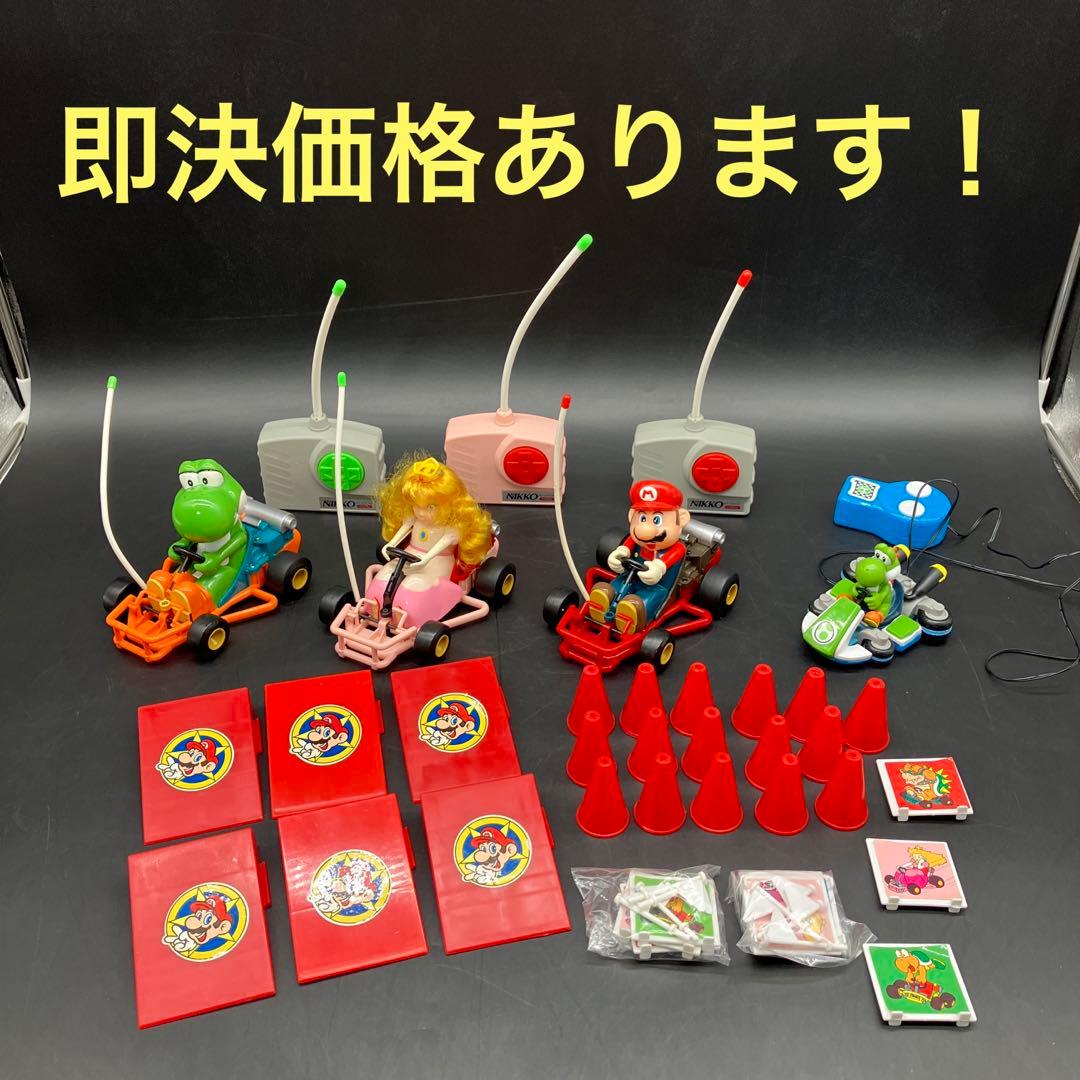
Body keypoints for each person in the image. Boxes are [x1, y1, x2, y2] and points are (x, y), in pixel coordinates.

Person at [364, 456, 492, 616]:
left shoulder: (451, 528)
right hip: (410, 554)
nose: (421, 513)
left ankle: (406, 613)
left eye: (430, 507)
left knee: (415, 583)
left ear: (448, 504)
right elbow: (404, 528)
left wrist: (425, 560)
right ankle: (373, 604)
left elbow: (442, 544)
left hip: (438, 560)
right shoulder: (414, 519)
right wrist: (389, 545)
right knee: (386, 573)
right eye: (417, 506)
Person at [587, 480, 690, 635]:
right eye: (642, 518)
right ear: (631, 516)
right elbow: (626, 546)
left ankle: (633, 616)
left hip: (658, 585)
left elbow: (665, 563)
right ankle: (602, 602)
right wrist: (620, 554)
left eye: (657, 520)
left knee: (642, 600)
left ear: (681, 519)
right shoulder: (635, 540)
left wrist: (658, 567)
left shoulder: (678, 548)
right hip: (629, 575)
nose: (645, 529)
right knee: (615, 587)